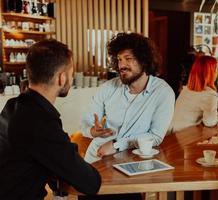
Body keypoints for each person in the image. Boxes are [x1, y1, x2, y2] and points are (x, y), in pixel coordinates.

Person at [0, 40, 101, 199]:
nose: (71, 78)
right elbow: (90, 182)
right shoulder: (40, 122)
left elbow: (39, 155)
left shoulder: (13, 106)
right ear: (61, 78)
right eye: (71, 73)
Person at [81, 32, 175, 163]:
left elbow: (155, 136)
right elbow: (86, 121)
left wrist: (116, 144)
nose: (121, 65)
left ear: (143, 60)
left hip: (134, 161)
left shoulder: (163, 93)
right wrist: (92, 131)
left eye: (128, 58)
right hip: (97, 156)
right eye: (119, 59)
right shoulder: (108, 88)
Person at [168, 55, 218, 132]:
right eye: (216, 69)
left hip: (172, 134)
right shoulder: (209, 94)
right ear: (211, 73)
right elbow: (210, 122)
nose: (217, 72)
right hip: (186, 137)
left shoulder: (186, 89)